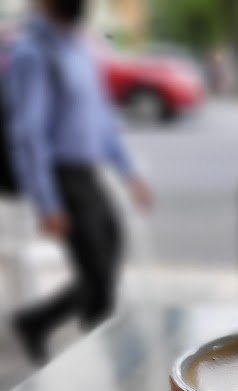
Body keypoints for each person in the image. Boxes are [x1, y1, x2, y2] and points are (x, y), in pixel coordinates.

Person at [8, 0, 152, 363]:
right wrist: (47, 202)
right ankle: (101, 359)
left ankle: (35, 322)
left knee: (107, 260)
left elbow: (101, 119)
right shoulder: (32, 53)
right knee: (99, 283)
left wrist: (129, 172)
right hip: (62, 177)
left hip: (89, 174)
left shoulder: (83, 48)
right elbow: (28, 134)